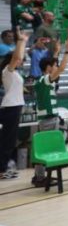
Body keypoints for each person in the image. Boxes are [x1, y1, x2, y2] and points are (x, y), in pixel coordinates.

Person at [32, 38, 68, 186]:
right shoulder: (45, 80)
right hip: (48, 119)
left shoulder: (43, 79)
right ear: (48, 68)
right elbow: (61, 68)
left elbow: (55, 66)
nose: (56, 66)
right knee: (46, 149)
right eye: (53, 65)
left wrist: (56, 51)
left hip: (48, 119)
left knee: (43, 147)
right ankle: (40, 177)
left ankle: (38, 176)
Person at [0, 30, 28, 180]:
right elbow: (17, 56)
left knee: (10, 140)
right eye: (17, 60)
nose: (21, 61)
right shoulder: (7, 70)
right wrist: (20, 41)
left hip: (14, 107)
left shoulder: (15, 72)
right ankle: (2, 170)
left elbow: (19, 56)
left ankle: (5, 167)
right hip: (10, 108)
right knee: (7, 140)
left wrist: (23, 42)